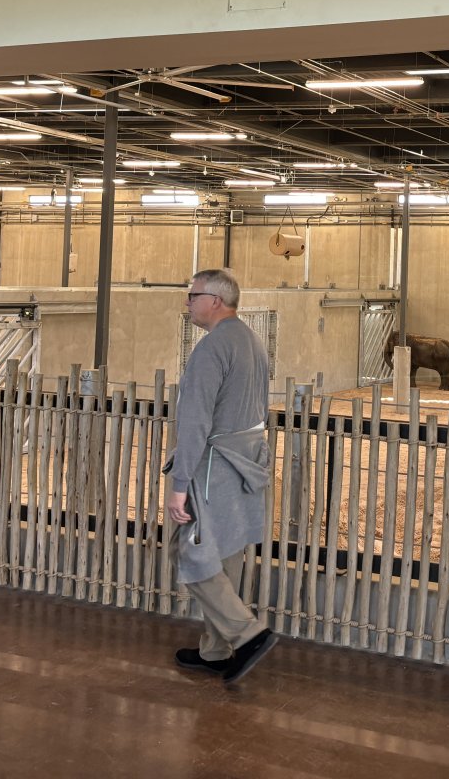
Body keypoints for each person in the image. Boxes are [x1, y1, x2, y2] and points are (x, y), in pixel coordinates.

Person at [165, 269, 277, 684]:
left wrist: (180, 485)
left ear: (214, 299)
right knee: (225, 553)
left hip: (213, 468)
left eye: (192, 295)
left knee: (191, 552)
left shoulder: (211, 348)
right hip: (246, 462)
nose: (187, 302)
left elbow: (194, 421)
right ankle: (216, 650)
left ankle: (246, 634)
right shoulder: (251, 340)